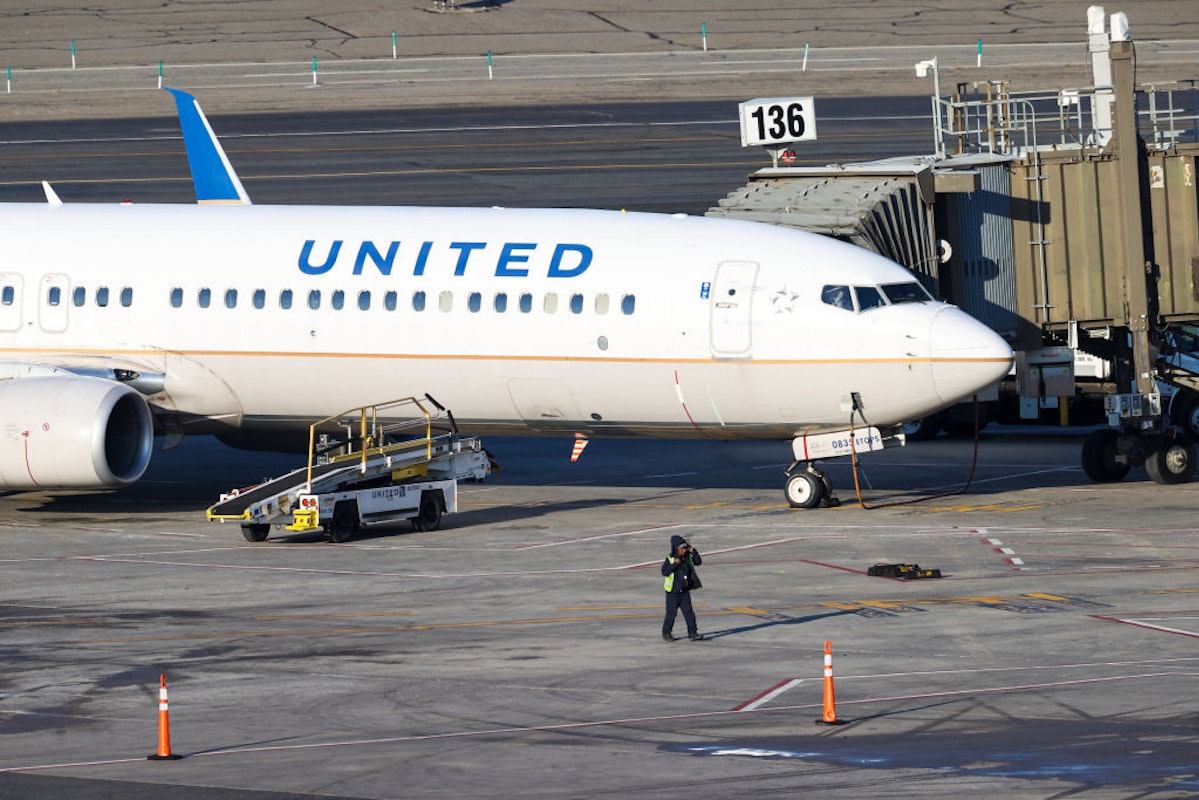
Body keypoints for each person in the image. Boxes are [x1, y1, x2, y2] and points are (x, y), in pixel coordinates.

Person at [661, 534, 704, 642]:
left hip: (684, 592)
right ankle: (666, 632)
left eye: (685, 548)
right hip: (673, 593)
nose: (684, 550)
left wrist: (693, 551)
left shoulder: (687, 558)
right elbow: (664, 572)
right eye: (681, 548)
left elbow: (698, 562)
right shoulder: (670, 559)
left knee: (689, 613)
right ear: (676, 548)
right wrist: (675, 564)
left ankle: (693, 632)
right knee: (671, 614)